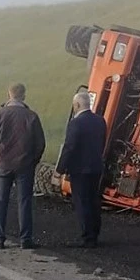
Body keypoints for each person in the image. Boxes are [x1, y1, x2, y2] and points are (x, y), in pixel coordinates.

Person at [0, 83, 46, 250]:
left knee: (0, 201)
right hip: (24, 164)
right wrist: (32, 161)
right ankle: (25, 239)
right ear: (24, 96)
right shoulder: (31, 116)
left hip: (2, 163)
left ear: (9, 95)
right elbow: (40, 143)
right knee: (24, 201)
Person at [56, 91, 108, 247]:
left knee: (81, 202)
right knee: (93, 201)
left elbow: (69, 147)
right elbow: (103, 143)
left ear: (77, 105)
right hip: (96, 167)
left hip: (79, 169)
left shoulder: (76, 123)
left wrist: (60, 169)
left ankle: (87, 237)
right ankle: (95, 233)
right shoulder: (100, 121)